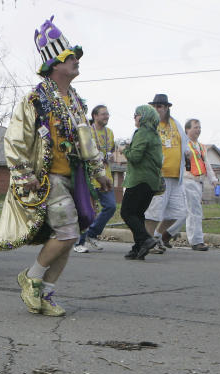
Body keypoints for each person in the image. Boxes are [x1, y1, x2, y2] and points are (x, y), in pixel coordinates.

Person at [0, 16, 112, 316]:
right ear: (55, 65)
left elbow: (87, 141)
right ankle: (30, 277)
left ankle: (46, 293)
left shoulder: (76, 102)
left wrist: (100, 172)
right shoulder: (35, 99)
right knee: (69, 233)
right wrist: (23, 174)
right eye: (70, 57)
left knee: (69, 238)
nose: (75, 61)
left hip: (75, 178)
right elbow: (16, 139)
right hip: (49, 179)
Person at [165, 119, 219, 251]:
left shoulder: (201, 146)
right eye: (195, 127)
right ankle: (196, 241)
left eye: (199, 127)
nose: (198, 129)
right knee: (194, 212)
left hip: (198, 182)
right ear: (187, 129)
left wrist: (213, 179)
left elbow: (206, 164)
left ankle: (165, 235)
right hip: (187, 180)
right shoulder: (183, 144)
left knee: (186, 212)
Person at [143, 94, 187, 252]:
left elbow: (185, 143)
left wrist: (186, 155)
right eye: (155, 106)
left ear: (167, 108)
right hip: (158, 175)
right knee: (154, 212)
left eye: (160, 106)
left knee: (179, 212)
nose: (157, 109)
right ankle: (146, 243)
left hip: (176, 177)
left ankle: (157, 237)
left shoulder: (175, 124)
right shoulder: (150, 124)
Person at [119, 105, 162, 260]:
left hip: (139, 179)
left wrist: (125, 149)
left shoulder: (142, 132)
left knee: (126, 212)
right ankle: (137, 248)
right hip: (151, 182)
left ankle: (146, 239)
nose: (134, 117)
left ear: (143, 117)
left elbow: (135, 157)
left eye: (136, 114)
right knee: (138, 214)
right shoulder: (155, 134)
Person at [73, 104, 115, 253]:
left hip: (105, 176)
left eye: (107, 114)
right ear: (95, 116)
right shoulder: (87, 131)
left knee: (111, 206)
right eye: (103, 114)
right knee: (88, 209)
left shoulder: (110, 133)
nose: (106, 116)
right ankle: (79, 242)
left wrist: (110, 155)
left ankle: (92, 233)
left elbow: (111, 150)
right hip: (89, 176)